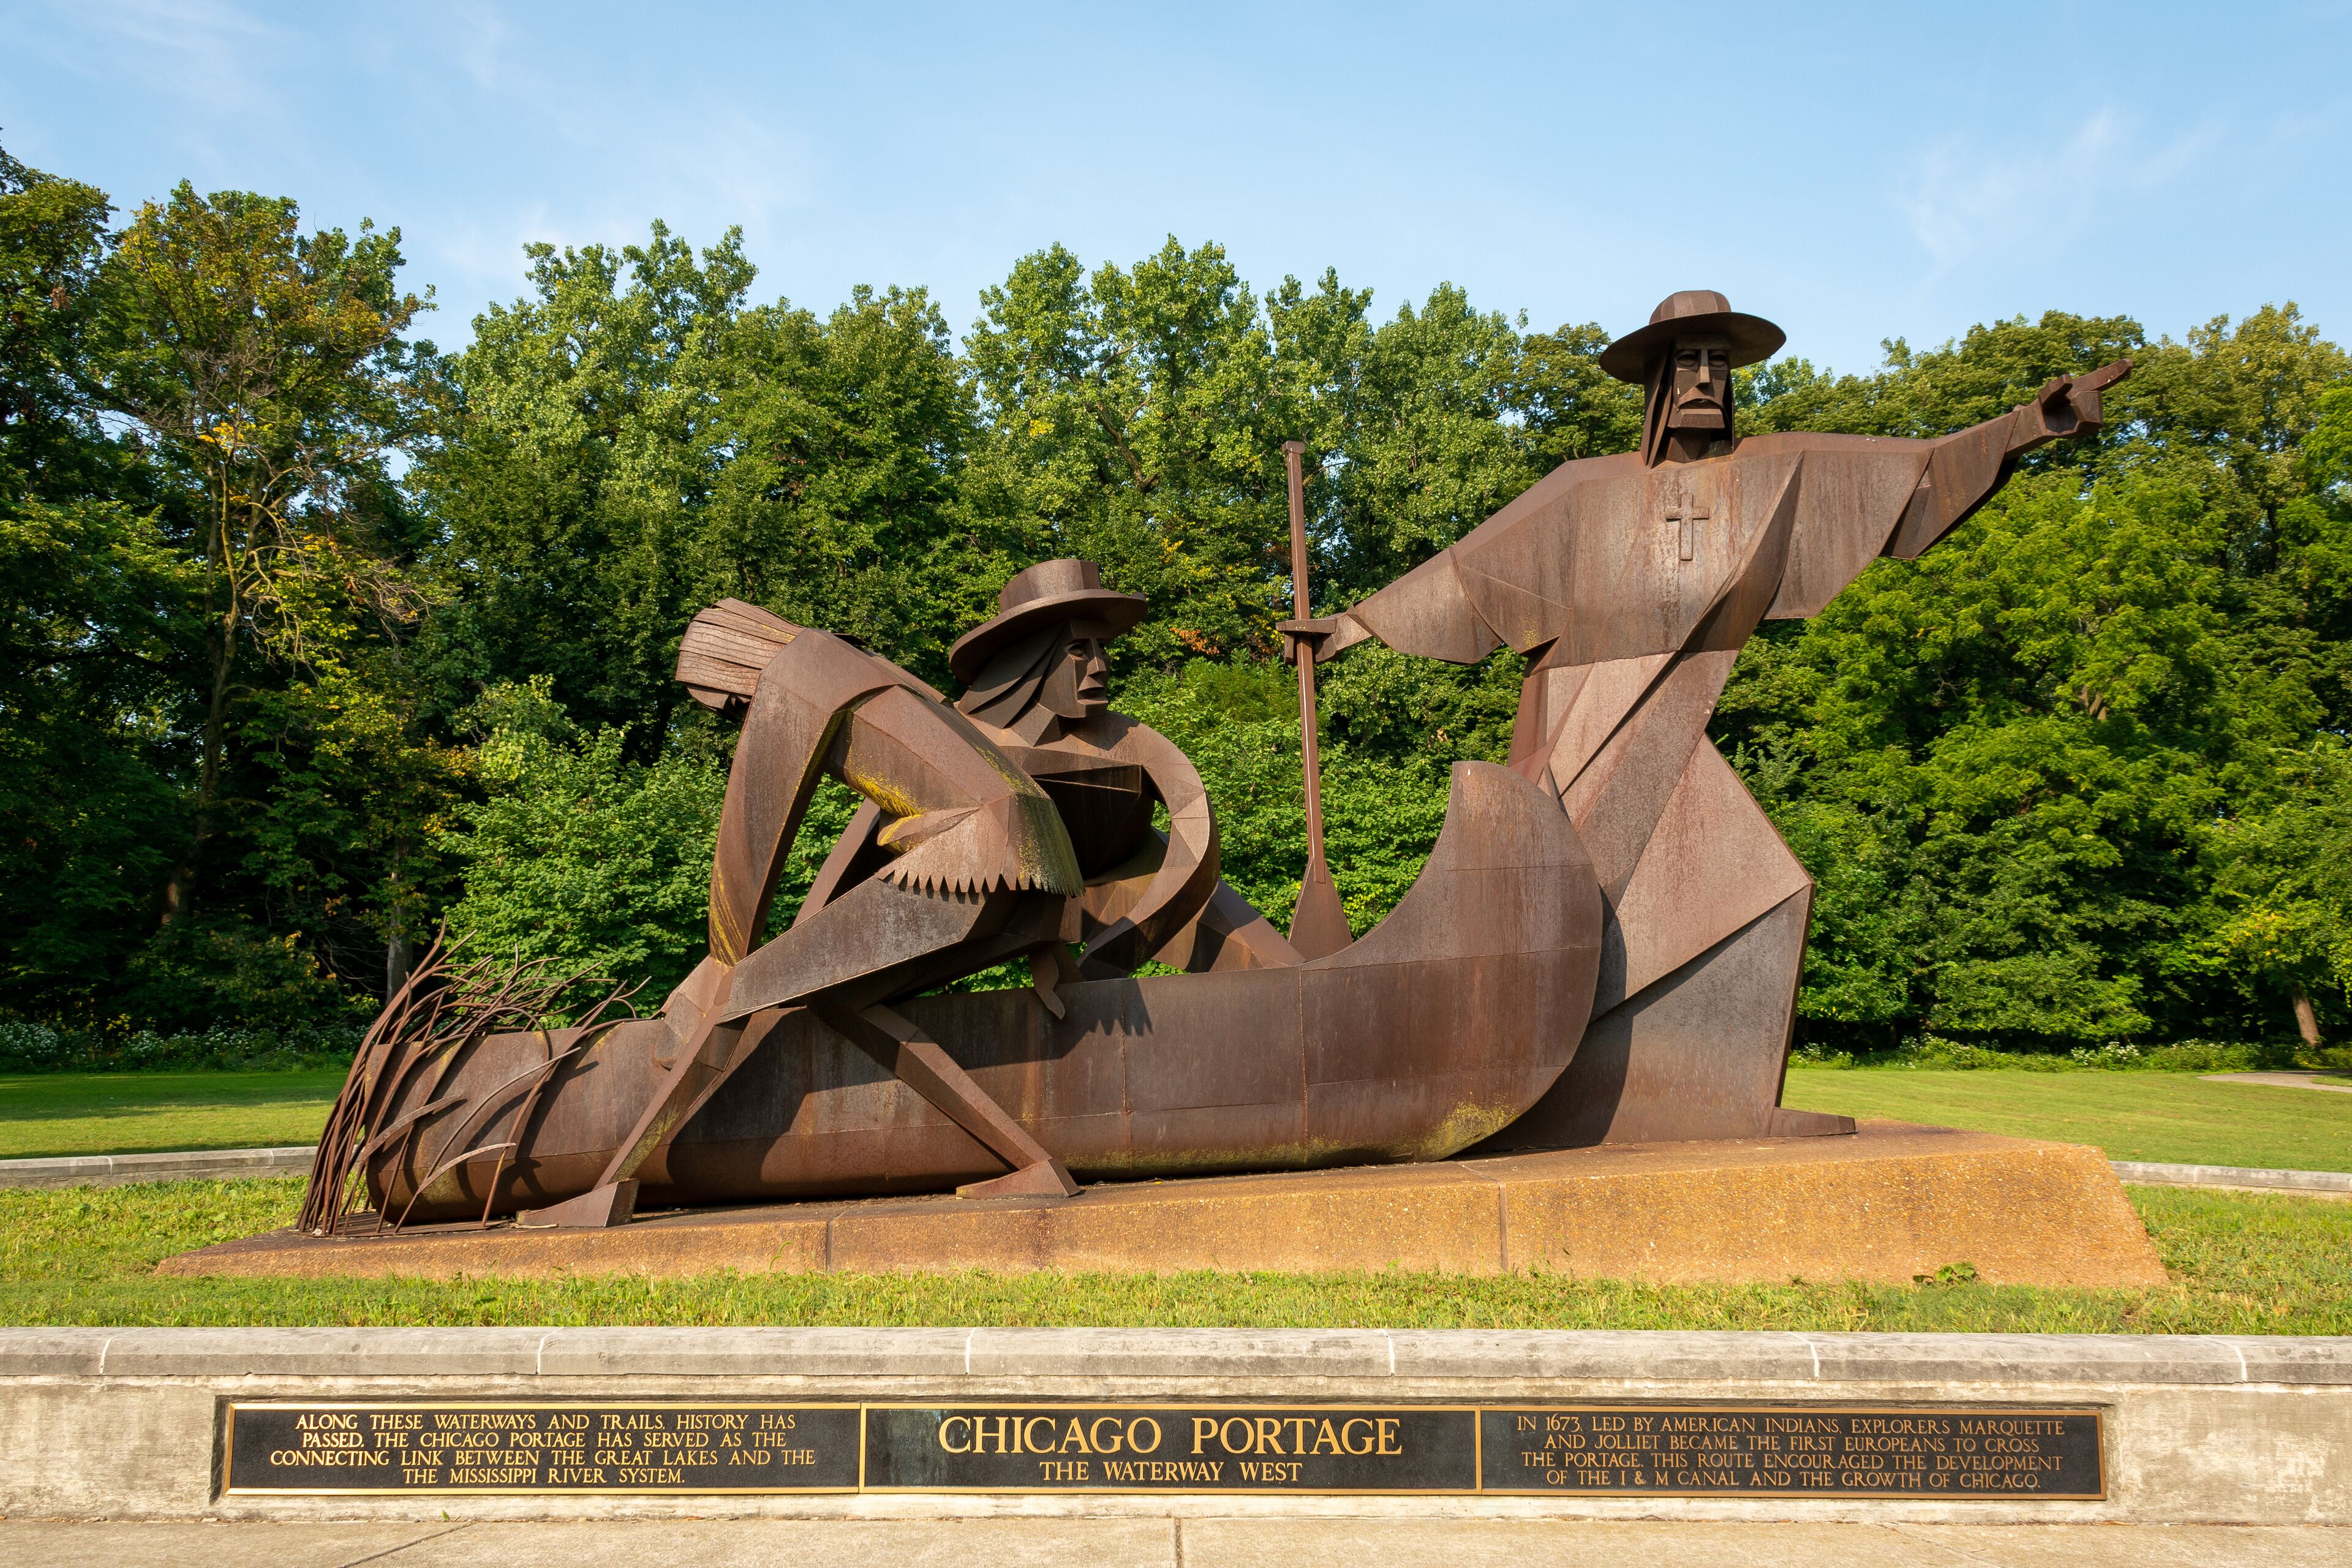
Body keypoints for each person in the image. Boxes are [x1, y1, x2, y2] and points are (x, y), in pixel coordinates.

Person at [1283, 289, 2130, 1149]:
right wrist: (1350, 625)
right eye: (1687, 362)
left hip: (1679, 708)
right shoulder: (1586, 493)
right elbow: (1471, 576)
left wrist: (2030, 424)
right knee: (1604, 907)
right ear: (1654, 380)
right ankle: (1576, 1085)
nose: (1704, 379)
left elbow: (1911, 476)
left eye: (1719, 365)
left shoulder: (1777, 473)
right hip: (1584, 715)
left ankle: (1716, 1100)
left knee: (1765, 892)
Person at [946, 558, 1299, 978]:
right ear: (1029, 661)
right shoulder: (961, 741)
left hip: (1137, 875)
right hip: (1016, 898)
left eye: (1102, 648)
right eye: (1080, 650)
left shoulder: (1129, 739)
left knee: (1285, 974)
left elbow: (1197, 830)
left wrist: (1118, 949)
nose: (1100, 665)